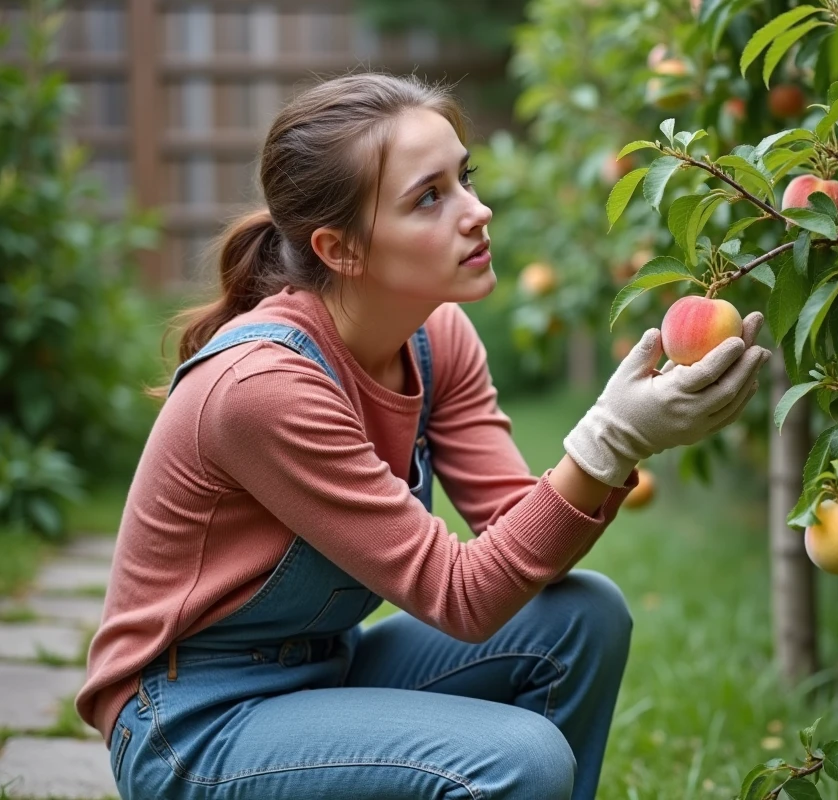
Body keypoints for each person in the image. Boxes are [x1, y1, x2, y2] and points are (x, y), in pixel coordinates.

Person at [76, 72, 769, 800]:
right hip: (191, 725)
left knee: (581, 617)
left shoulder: (436, 337)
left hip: (323, 672)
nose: (478, 211)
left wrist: (625, 440)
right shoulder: (263, 389)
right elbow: (461, 597)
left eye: (464, 178)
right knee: (519, 759)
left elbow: (517, 544)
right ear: (340, 249)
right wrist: (613, 440)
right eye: (429, 197)